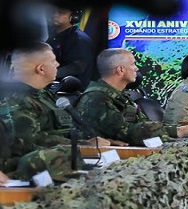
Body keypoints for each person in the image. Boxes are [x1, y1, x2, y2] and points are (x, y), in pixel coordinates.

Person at [0, 43, 114, 180]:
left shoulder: (45, 95)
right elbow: (31, 142)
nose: (58, 65)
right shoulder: (13, 100)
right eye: (53, 61)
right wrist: (85, 144)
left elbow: (63, 129)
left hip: (61, 161)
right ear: (41, 69)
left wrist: (88, 139)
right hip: (27, 171)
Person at [75, 48, 188, 145]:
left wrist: (180, 130)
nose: (136, 68)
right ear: (120, 70)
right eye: (132, 64)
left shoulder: (121, 97)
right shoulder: (96, 99)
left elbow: (143, 123)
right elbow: (127, 133)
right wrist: (178, 131)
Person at [47, 7, 95, 90]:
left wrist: (49, 74)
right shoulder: (54, 37)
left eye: (61, 12)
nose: (55, 15)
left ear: (74, 17)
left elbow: (78, 67)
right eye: (52, 12)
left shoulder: (79, 38)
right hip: (55, 88)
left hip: (72, 92)